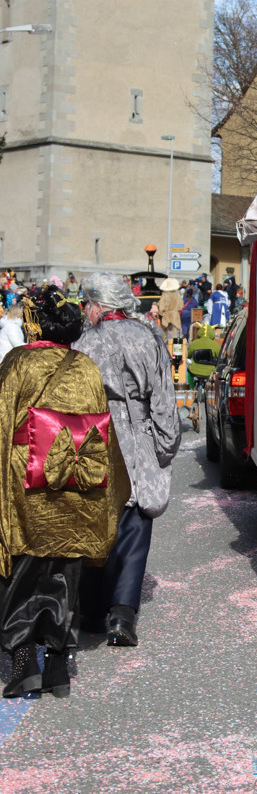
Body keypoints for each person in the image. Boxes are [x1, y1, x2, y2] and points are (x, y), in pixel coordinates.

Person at [0, 287, 129, 697]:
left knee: (23, 571)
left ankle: (24, 665)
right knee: (64, 574)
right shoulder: (86, 366)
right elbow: (99, 430)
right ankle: (58, 668)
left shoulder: (17, 363)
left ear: (34, 323)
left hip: (28, 484)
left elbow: (3, 423)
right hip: (74, 482)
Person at [74, 273, 182, 647]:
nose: (86, 310)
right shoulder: (146, 337)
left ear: (100, 305)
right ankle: (122, 614)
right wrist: (166, 446)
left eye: (88, 303)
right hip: (138, 435)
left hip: (96, 435)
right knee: (135, 526)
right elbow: (163, 397)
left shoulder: (85, 342)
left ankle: (90, 610)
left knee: (94, 520)